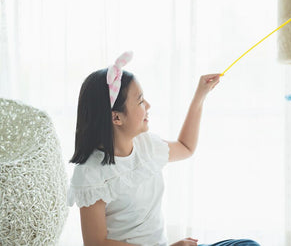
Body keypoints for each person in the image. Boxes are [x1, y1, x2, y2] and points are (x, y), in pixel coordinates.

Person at [67, 51, 260, 246]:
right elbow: (96, 243)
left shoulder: (146, 145)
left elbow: (186, 147)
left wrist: (200, 96)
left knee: (247, 245)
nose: (148, 106)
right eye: (140, 101)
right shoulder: (90, 174)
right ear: (116, 117)